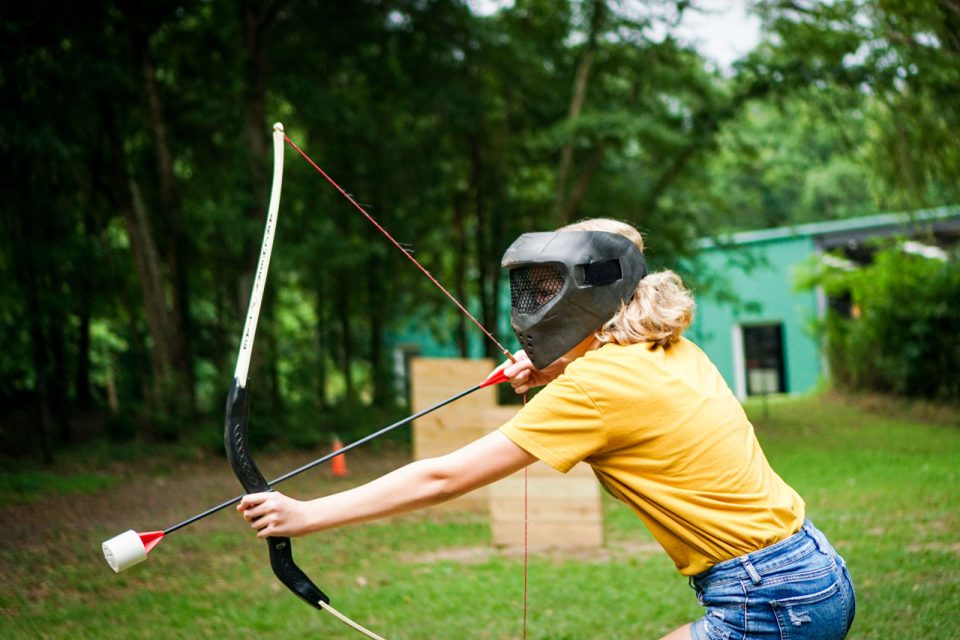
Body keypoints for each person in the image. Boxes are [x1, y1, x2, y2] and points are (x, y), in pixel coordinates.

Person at [238, 218, 856, 639]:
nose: (535, 303)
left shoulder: (594, 388)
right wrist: (555, 366)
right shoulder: (666, 345)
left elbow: (445, 476)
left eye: (548, 287)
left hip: (772, 598)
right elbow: (617, 383)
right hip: (813, 569)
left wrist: (303, 516)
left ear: (594, 290)